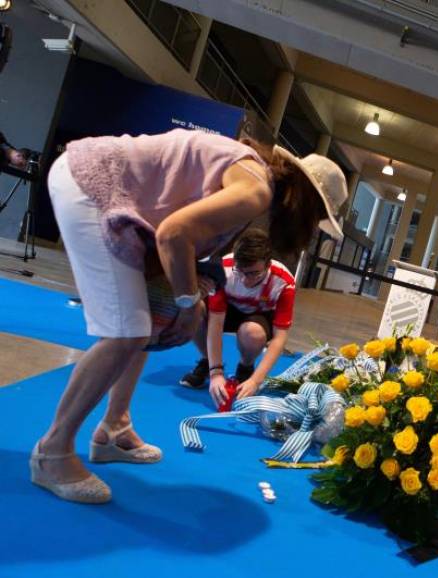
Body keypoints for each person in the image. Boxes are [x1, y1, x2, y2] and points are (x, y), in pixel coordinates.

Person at [32, 128, 347, 504]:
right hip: (90, 184)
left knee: (144, 321)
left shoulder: (252, 177)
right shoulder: (256, 189)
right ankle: (52, 452)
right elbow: (173, 234)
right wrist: (187, 303)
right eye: (316, 220)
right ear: (305, 203)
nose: (311, 231)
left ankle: (115, 427)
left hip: (99, 182)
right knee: (126, 332)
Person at [179, 229, 296, 408]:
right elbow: (215, 323)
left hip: (257, 314)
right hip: (229, 309)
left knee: (253, 333)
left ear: (268, 264)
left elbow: (280, 338)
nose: (245, 280)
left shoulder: (284, 282)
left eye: (254, 273)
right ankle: (207, 360)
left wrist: (256, 381)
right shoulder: (224, 270)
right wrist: (216, 373)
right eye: (240, 271)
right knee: (193, 309)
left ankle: (245, 368)